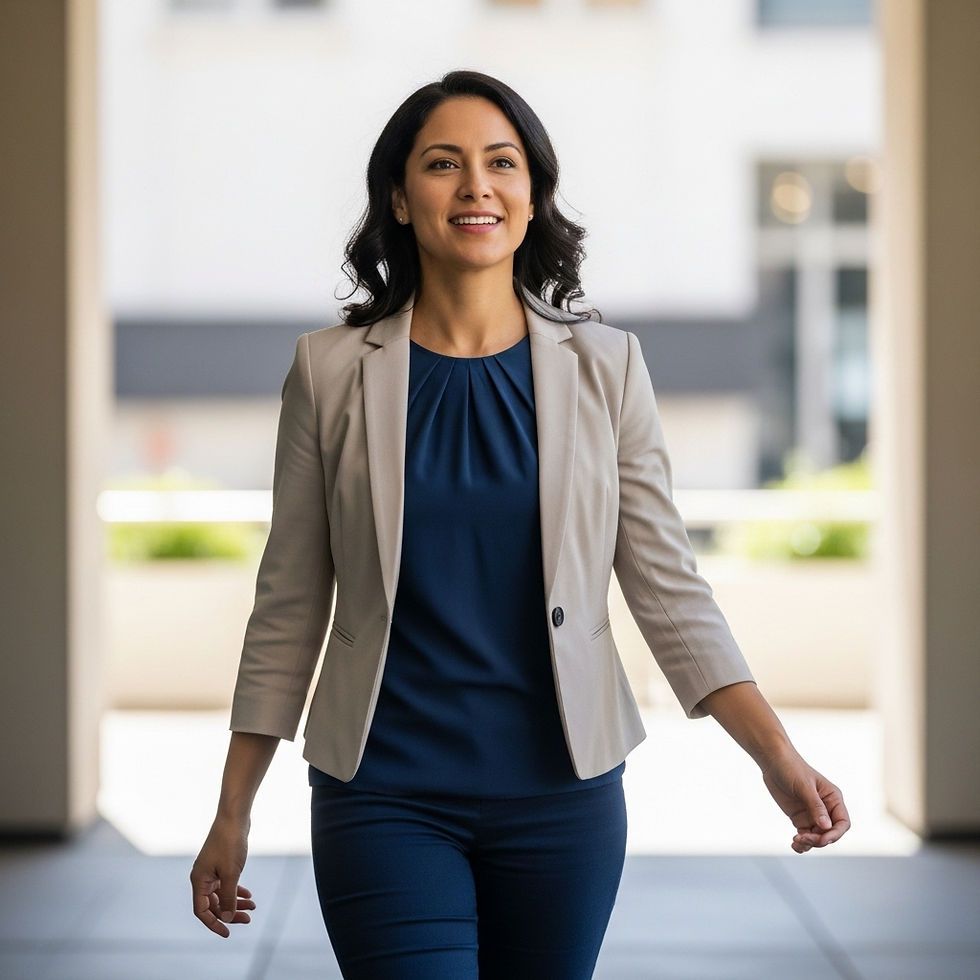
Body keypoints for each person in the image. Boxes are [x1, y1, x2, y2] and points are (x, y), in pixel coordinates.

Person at [190, 70, 850, 978]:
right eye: (442, 164)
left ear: (533, 195)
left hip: (563, 799)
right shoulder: (329, 372)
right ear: (399, 197)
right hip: (382, 794)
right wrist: (233, 810)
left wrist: (776, 756)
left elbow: (668, 589)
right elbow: (289, 603)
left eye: (502, 163)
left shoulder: (608, 369)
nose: (476, 186)